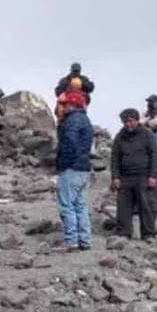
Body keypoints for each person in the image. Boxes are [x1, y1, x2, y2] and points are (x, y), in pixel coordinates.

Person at [110, 108, 157, 239]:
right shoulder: (120, 137)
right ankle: (123, 233)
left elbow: (155, 155)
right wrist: (115, 177)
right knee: (123, 207)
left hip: (144, 176)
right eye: (125, 121)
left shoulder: (147, 134)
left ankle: (148, 234)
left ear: (137, 120)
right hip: (125, 177)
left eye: (130, 121)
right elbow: (114, 158)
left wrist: (153, 176)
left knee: (147, 206)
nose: (128, 124)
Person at [55, 90, 93, 251]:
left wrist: (63, 162)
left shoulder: (71, 121)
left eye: (65, 104)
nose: (62, 107)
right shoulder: (85, 119)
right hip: (84, 168)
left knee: (67, 205)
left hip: (71, 168)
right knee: (80, 205)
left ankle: (71, 241)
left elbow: (69, 143)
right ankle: (85, 240)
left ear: (71, 104)